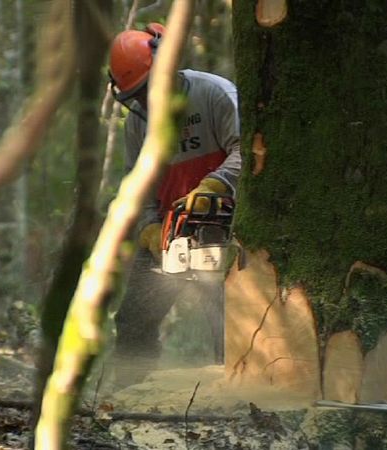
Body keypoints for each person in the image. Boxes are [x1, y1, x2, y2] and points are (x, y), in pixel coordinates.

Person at [107, 23, 241, 385]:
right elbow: (138, 186)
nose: (145, 100)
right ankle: (128, 392)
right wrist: (148, 227)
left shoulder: (214, 94)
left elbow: (249, 151)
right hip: (169, 231)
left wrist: (215, 184)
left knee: (227, 323)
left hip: (221, 228)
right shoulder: (138, 124)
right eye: (136, 95)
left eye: (148, 88)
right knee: (133, 318)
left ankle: (238, 398)